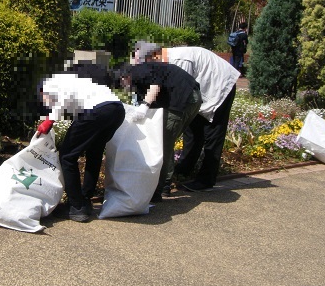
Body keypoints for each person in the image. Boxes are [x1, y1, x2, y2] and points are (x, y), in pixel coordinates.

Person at [134, 43, 240, 192]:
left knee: (213, 132)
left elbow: (181, 90)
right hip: (199, 90)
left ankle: (206, 179)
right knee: (192, 130)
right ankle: (184, 169)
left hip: (221, 85)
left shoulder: (179, 60)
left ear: (155, 55)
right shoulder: (165, 60)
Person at [37, 73, 125, 222]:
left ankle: (76, 206)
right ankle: (85, 200)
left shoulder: (51, 82)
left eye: (43, 99)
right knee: (94, 153)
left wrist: (49, 120)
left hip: (97, 110)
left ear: (42, 91)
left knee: (66, 155)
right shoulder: (81, 84)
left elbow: (66, 95)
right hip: (116, 110)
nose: (46, 104)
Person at [119, 62, 202, 201]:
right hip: (191, 98)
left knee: (163, 144)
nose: (122, 87)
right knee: (164, 141)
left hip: (183, 100)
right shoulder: (141, 73)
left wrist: (144, 107)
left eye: (120, 82)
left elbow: (155, 86)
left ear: (124, 76)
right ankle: (161, 186)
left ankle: (160, 189)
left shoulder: (139, 72)